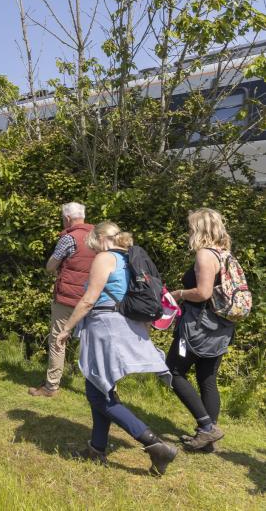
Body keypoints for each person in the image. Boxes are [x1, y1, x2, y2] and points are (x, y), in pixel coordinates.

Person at [55, 222, 177, 475]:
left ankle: (154, 444)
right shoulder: (128, 257)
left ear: (100, 239)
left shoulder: (104, 257)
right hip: (123, 324)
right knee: (101, 388)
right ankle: (97, 449)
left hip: (105, 327)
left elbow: (89, 299)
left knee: (99, 395)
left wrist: (66, 328)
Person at [166, 208, 234, 452]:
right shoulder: (225, 253)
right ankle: (207, 440)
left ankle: (207, 427)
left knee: (172, 371)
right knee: (207, 379)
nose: (188, 231)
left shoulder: (205, 255)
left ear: (200, 229)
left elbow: (203, 293)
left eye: (191, 226)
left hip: (199, 327)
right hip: (220, 326)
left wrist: (178, 294)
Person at [29, 202, 96, 398]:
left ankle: (51, 386)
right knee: (93, 343)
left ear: (67, 218)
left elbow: (51, 265)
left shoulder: (68, 239)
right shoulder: (99, 236)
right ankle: (103, 386)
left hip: (67, 299)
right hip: (92, 298)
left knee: (58, 340)